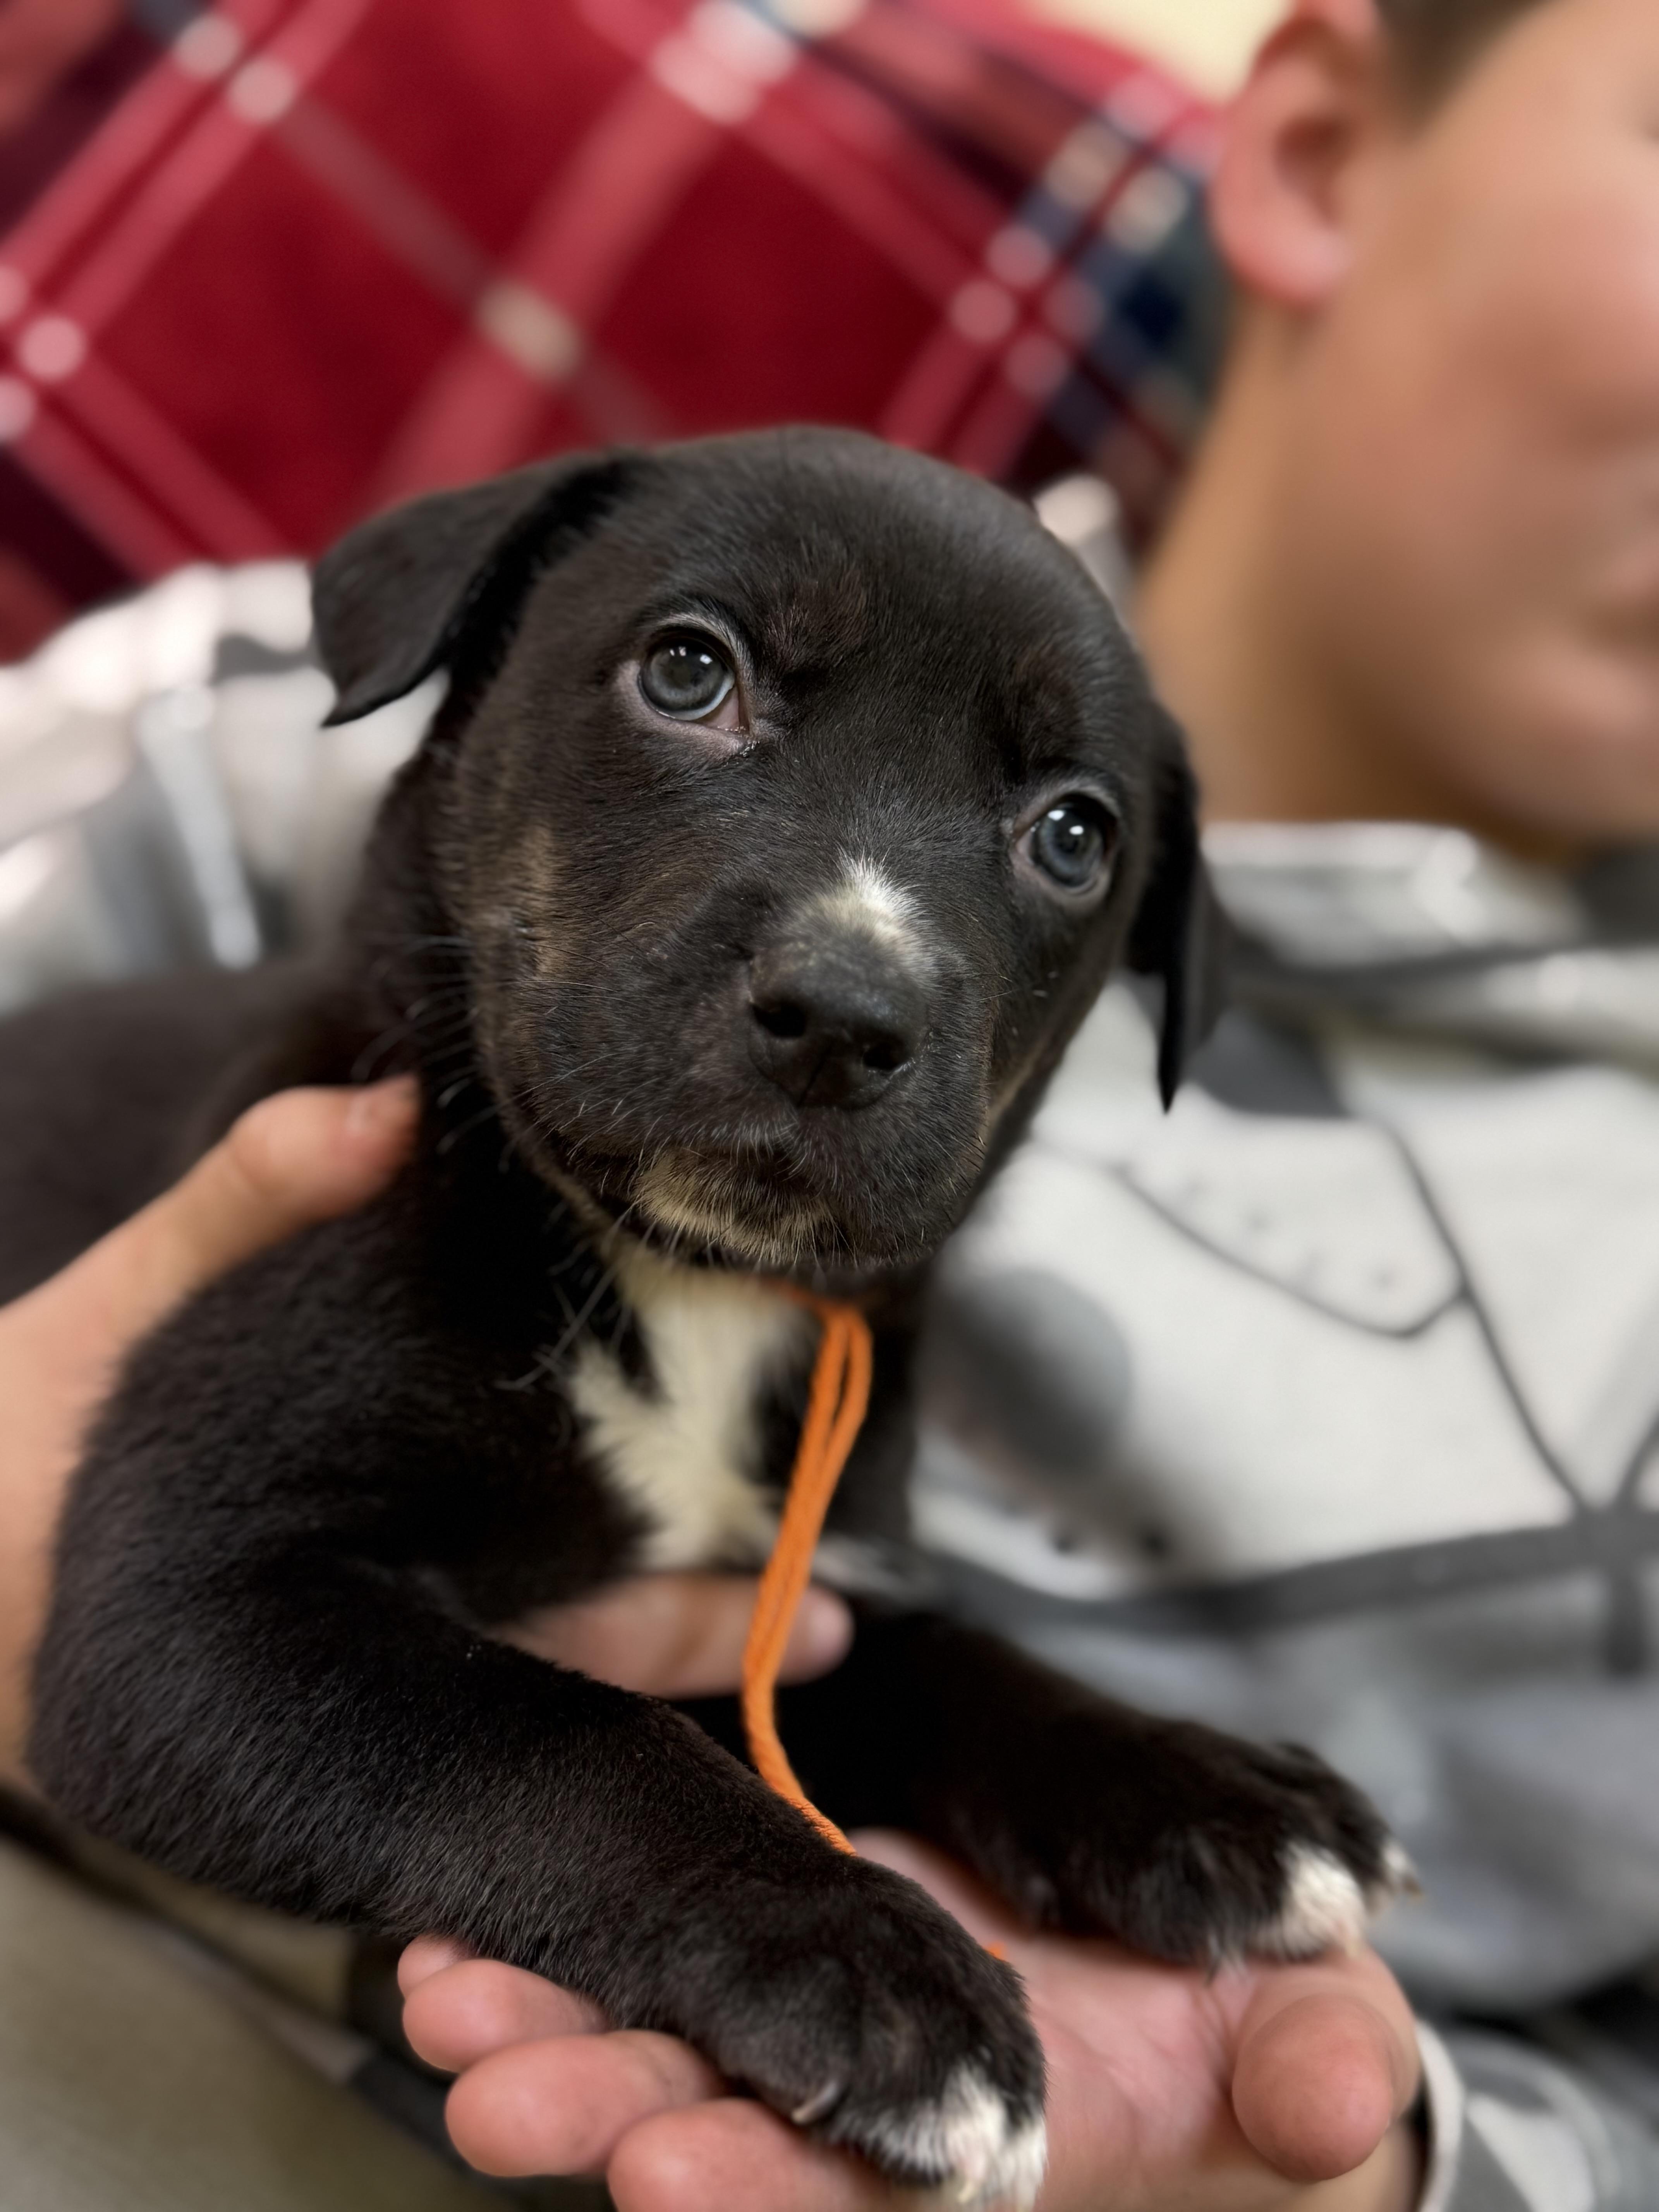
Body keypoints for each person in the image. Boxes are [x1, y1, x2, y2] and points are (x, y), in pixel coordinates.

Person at [7, 2, 1659, 2210]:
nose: (867, 956)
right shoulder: (252, 862)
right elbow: (200, 1651)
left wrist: (1344, 2167)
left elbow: (762, 1661)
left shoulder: (856, 1353)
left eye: (1061, 844)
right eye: (698, 677)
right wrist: (705, 1886)